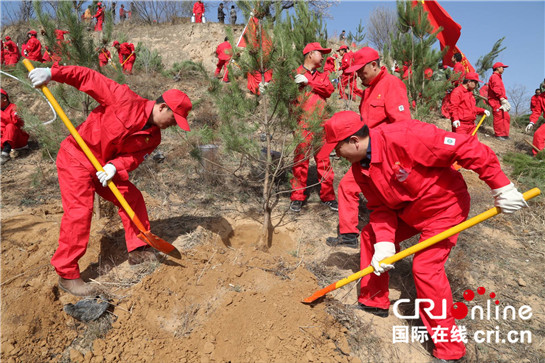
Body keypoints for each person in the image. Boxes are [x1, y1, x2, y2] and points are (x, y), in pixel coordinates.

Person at [318, 110, 527, 361]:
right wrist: (385, 243)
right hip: (410, 211)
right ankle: (374, 300)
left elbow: (467, 148)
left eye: (336, 148)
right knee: (371, 236)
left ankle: (450, 349)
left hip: (445, 208)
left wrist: (501, 185)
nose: (335, 154)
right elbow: (379, 207)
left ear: (354, 141)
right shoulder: (359, 169)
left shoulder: (405, 136)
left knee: (425, 267)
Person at [27, 64, 193, 296]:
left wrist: (116, 166)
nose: (173, 125)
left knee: (132, 197)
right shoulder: (124, 99)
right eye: (174, 119)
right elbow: (88, 77)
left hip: (103, 169)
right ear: (162, 107)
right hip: (77, 156)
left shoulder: (154, 138)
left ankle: (138, 248)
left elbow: (133, 158)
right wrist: (53, 73)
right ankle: (67, 273)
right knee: (79, 212)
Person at [326, 47, 411, 248]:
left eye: (361, 70)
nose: (357, 75)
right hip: (362, 153)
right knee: (347, 186)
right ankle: (348, 236)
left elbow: (402, 125)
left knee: (385, 202)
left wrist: (398, 161)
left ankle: (387, 243)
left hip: (383, 157)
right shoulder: (368, 91)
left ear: (374, 65)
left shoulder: (391, 85)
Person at [289, 42, 337, 213]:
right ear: (310, 54)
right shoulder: (294, 74)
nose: (323, 56)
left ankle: (328, 197)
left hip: (321, 125)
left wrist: (309, 82)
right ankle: (297, 197)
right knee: (300, 161)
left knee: (324, 161)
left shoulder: (323, 75)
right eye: (320, 53)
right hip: (302, 124)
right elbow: (286, 95)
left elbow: (329, 90)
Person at [1, 89, 30, 165]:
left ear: (4, 99)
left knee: (10, 126)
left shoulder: (15, 108)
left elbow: (18, 123)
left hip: (18, 140)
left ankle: (5, 154)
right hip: (3, 140)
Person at [488, 62, 511, 140]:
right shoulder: (494, 77)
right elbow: (496, 89)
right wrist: (501, 98)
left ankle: (505, 134)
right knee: (499, 117)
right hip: (496, 101)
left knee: (505, 116)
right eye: (502, 67)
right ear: (497, 68)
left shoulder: (498, 77)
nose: (503, 69)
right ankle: (498, 134)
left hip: (500, 100)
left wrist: (503, 98)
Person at [441, 52, 466, 119]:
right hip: (457, 86)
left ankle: (447, 115)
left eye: (452, 57)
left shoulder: (457, 66)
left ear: (455, 58)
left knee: (448, 100)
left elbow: (455, 77)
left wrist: (447, 84)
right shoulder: (459, 66)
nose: (451, 58)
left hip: (456, 87)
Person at [526, 88, 545, 155]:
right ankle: (539, 156)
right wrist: (532, 122)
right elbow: (537, 111)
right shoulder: (541, 97)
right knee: (538, 135)